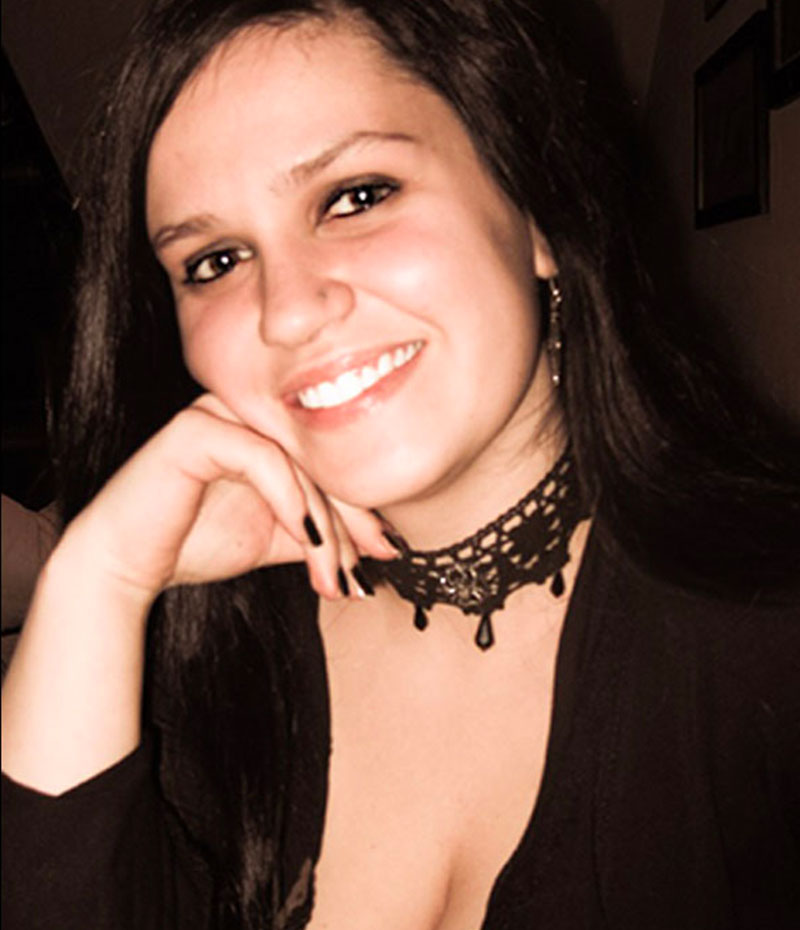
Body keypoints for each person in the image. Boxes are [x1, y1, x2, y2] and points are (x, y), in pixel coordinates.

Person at [2, 1, 799, 928]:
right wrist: (94, 584)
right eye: (216, 260)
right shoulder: (201, 645)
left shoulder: (767, 638)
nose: (286, 312)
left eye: (356, 196)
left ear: (536, 212)